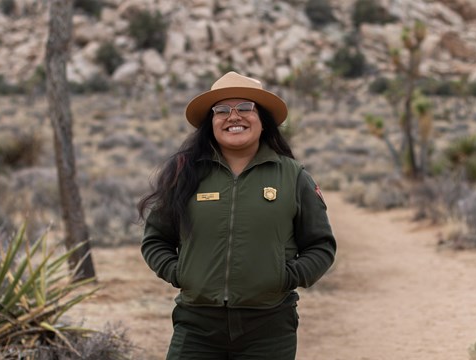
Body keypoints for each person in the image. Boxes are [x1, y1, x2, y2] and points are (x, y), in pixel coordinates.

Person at [138, 71, 337, 359]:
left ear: (262, 119)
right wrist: (180, 273)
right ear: (211, 122)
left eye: (245, 107)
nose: (233, 116)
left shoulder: (293, 176)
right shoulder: (186, 173)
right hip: (197, 326)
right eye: (221, 110)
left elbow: (321, 245)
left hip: (269, 328)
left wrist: (286, 277)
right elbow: (156, 239)